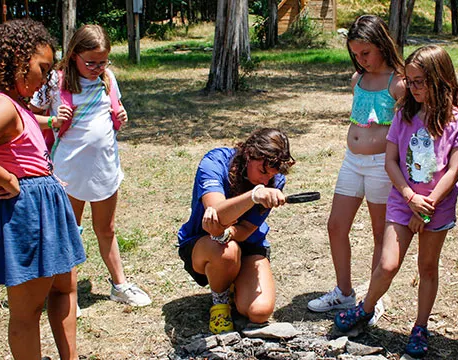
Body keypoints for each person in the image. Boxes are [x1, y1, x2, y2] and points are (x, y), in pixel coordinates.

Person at [0, 19, 85, 360]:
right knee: (27, 310)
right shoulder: (1, 106)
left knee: (64, 288)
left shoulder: (13, 102)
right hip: (26, 213)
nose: (45, 79)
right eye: (43, 68)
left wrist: (50, 131)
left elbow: (26, 126)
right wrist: (8, 179)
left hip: (45, 206)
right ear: (19, 59)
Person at [333, 45, 458, 359]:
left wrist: (427, 205)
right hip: (402, 199)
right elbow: (391, 161)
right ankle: (365, 308)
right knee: (387, 264)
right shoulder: (404, 114)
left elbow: (454, 170)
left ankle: (420, 326)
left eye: (420, 81)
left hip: (437, 206)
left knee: (427, 267)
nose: (413, 88)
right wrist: (409, 197)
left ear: (440, 79)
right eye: (410, 81)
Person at [30, 24, 151, 308]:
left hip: (104, 167)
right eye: (91, 63)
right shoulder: (55, 81)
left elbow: (111, 114)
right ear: (74, 55)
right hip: (69, 171)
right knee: (69, 231)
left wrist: (121, 115)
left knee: (106, 228)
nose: (97, 68)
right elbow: (25, 116)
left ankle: (120, 286)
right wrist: (52, 120)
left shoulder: (108, 78)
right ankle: (65, 294)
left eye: (102, 62)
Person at [307, 15, 406, 324]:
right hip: (352, 161)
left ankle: (373, 299)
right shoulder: (357, 80)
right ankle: (344, 291)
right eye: (355, 54)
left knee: (379, 233)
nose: (361, 60)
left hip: (382, 166)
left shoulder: (398, 83)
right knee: (336, 225)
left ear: (382, 45)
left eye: (366, 53)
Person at [177, 128, 295, 334]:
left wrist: (226, 233)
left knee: (259, 312)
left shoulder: (274, 180)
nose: (266, 180)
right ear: (249, 154)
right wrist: (254, 196)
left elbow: (246, 228)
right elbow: (217, 214)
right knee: (226, 251)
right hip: (203, 243)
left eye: (272, 175)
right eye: (263, 171)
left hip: (246, 243)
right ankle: (220, 303)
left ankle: (232, 281)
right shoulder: (215, 162)